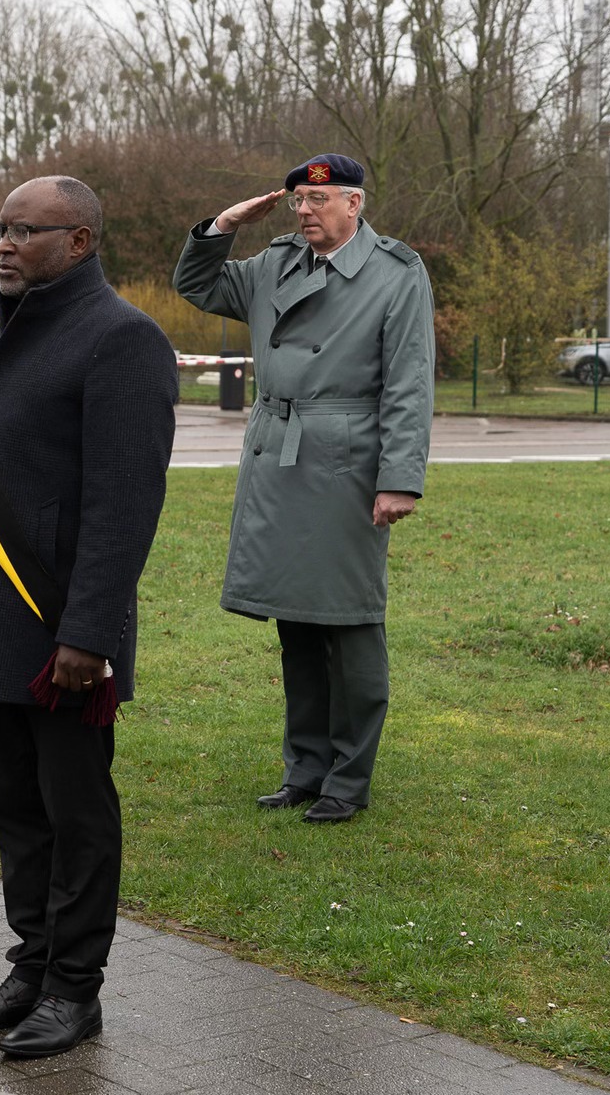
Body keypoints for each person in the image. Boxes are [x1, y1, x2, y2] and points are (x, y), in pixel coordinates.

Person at [0, 176, 176, 1059]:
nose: (4, 242)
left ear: (79, 242)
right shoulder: (2, 330)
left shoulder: (123, 338)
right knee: (15, 810)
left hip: (60, 631)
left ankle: (76, 988)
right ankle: (31, 964)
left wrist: (89, 634)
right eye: (1, 227)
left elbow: (124, 502)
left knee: (76, 814)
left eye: (26, 231)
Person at [173, 154, 433, 823]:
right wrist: (224, 225)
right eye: (297, 201)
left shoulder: (395, 273)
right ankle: (304, 768)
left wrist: (398, 478)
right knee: (294, 622)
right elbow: (197, 286)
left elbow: (409, 382)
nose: (305, 211)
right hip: (278, 456)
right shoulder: (275, 263)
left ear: (355, 204)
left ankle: (349, 776)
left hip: (345, 459)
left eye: (319, 200)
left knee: (349, 623)